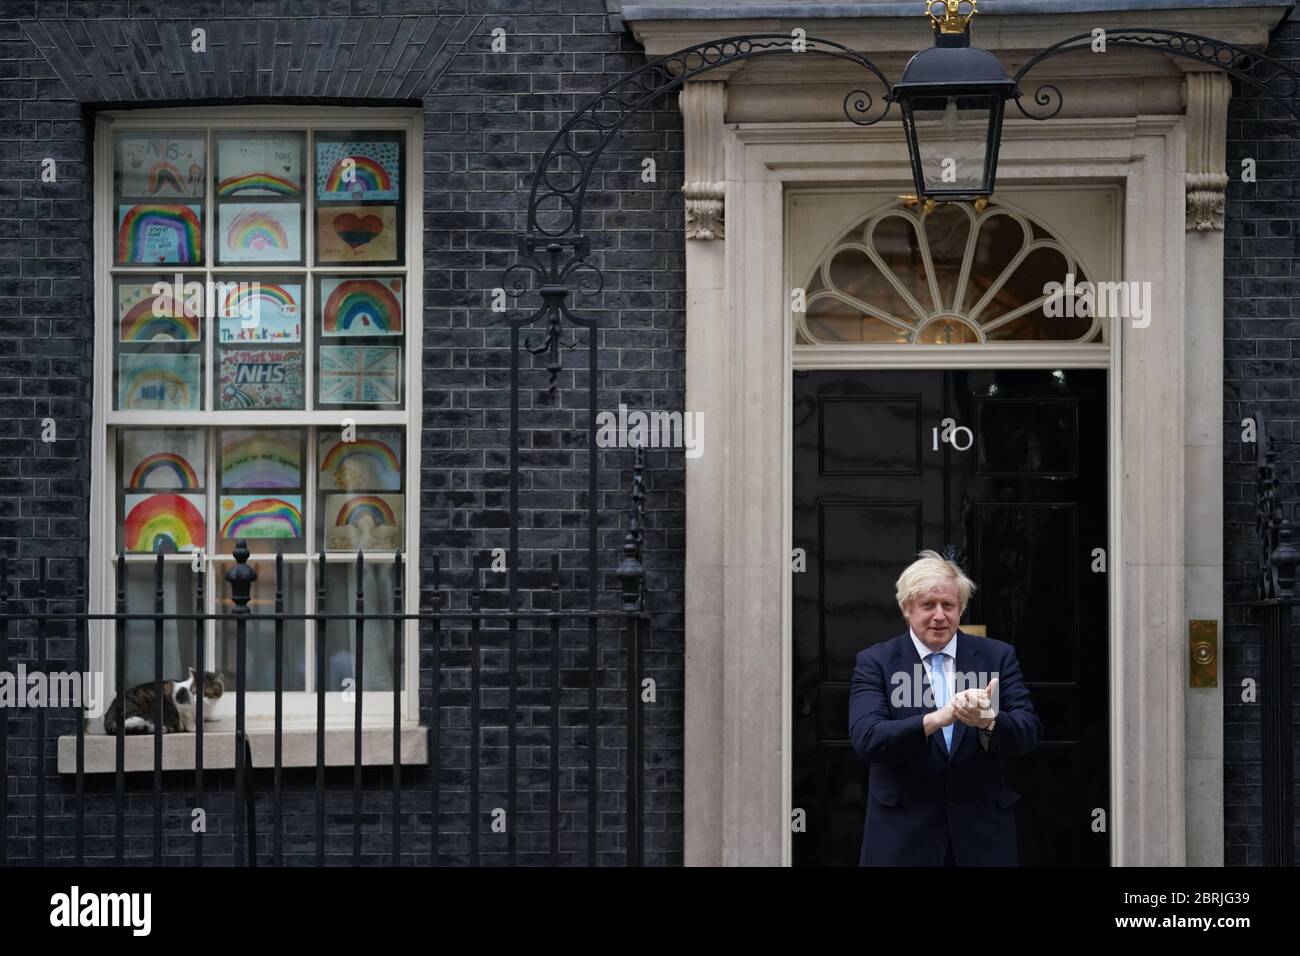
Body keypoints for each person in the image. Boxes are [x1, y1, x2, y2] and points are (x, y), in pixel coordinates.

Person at [847, 549, 1043, 866]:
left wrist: (990, 721)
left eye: (948, 605)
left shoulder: (997, 657)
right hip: (902, 840)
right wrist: (937, 719)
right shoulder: (876, 663)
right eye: (928, 605)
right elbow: (868, 738)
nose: (940, 615)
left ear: (961, 608)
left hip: (982, 839)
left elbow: (1028, 732)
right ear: (906, 609)